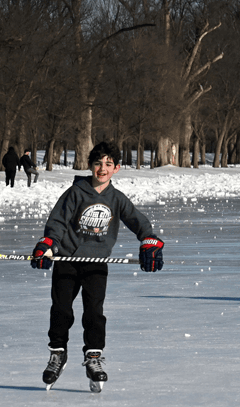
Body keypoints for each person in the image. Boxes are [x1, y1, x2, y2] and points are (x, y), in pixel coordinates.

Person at [31, 141, 163, 392]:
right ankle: (57, 354)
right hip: (68, 260)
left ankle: (93, 357)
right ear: (90, 166)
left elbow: (138, 220)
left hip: (96, 263)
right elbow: (57, 221)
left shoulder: (116, 198)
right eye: (98, 163)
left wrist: (149, 240)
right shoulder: (76, 192)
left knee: (94, 312)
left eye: (108, 164)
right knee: (61, 310)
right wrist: (48, 244)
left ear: (117, 169)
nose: (102, 168)